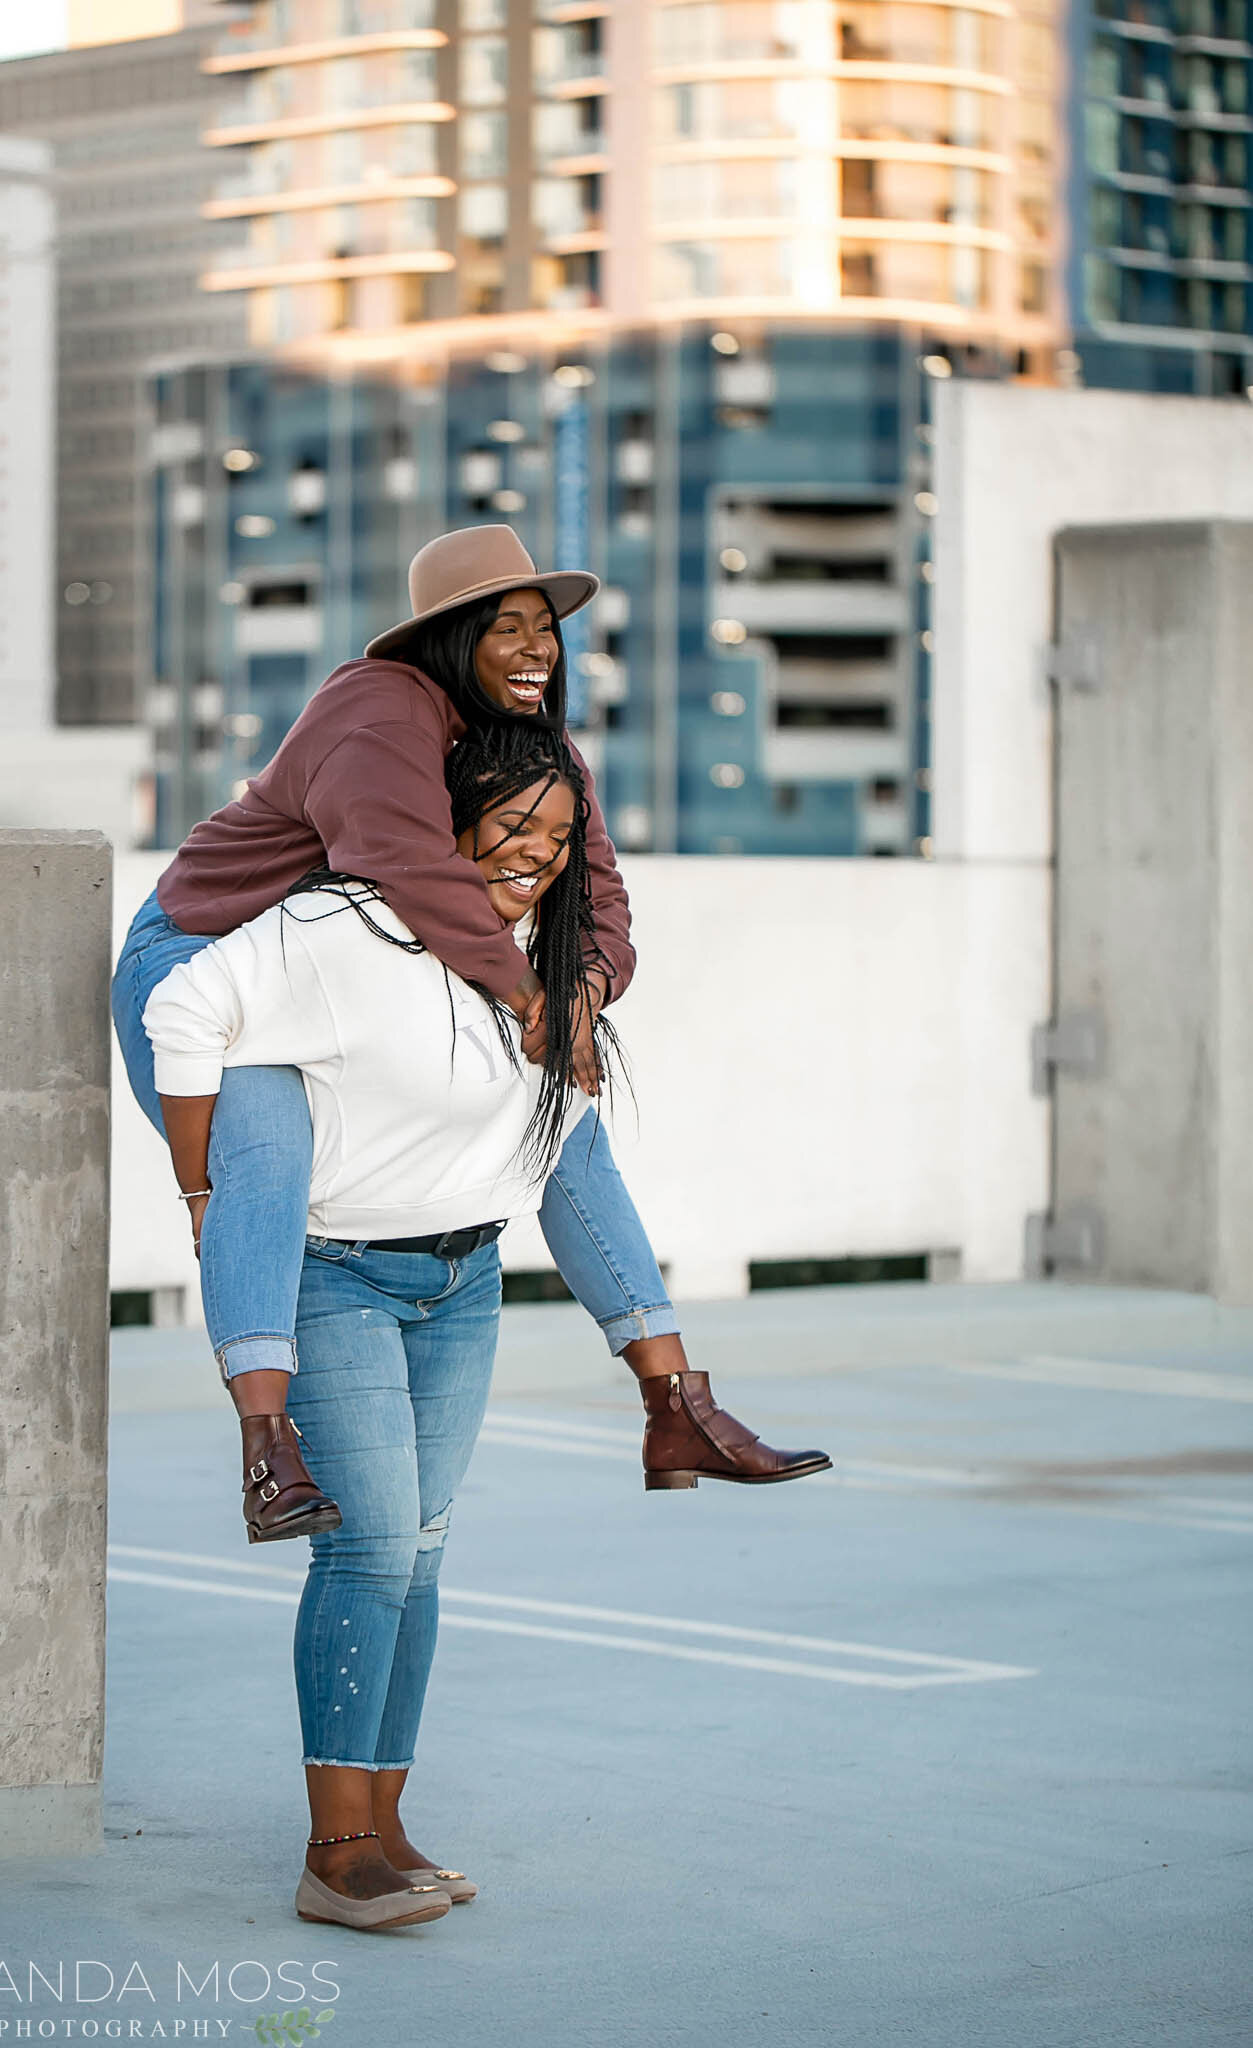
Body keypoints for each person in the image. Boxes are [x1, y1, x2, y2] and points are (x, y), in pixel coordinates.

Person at [113, 524, 828, 1536]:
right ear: (451, 638)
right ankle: (266, 1448)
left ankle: (677, 1404)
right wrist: (537, 1006)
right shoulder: (376, 712)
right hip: (202, 952)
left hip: (362, 961)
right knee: (267, 1147)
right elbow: (419, 875)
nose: (540, 648)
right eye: (510, 627)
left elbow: (604, 898)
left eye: (549, 628)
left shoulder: (526, 740)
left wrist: (579, 993)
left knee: (563, 1124)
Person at [140, 726, 686, 1928]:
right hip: (336, 1273)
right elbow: (183, 1006)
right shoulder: (342, 928)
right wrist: (203, 1182)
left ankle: (385, 1828)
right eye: (511, 828)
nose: (535, 858)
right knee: (373, 1547)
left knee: (423, 1550)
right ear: (442, 822)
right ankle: (334, 1853)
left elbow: (562, 1127)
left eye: (557, 838)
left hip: (464, 1281)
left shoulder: (545, 951)